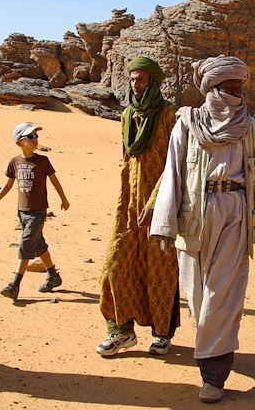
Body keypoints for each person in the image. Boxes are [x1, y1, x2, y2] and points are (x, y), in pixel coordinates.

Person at [150, 55, 255, 403]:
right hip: (193, 212)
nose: (235, 94)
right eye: (228, 87)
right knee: (197, 296)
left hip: (236, 213)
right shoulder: (187, 124)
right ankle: (212, 349)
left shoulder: (250, 128)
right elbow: (173, 174)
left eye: (239, 87)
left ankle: (214, 373)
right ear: (211, 87)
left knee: (223, 295)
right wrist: (163, 226)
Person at [96, 56, 180, 357]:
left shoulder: (169, 114)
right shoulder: (127, 115)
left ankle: (161, 333)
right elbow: (126, 161)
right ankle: (120, 330)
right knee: (117, 265)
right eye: (132, 79)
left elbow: (176, 163)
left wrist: (156, 201)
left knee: (160, 268)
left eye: (141, 78)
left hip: (161, 204)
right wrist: (125, 204)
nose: (136, 83)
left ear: (154, 81)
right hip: (129, 206)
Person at [0, 122, 70, 301]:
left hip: (38, 212)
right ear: (19, 142)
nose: (35, 139)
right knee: (38, 245)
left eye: (36, 136)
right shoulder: (14, 162)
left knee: (26, 243)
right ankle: (53, 276)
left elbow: (54, 181)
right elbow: (8, 185)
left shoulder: (42, 161)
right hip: (22, 212)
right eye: (30, 137)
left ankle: (14, 285)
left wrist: (63, 199)